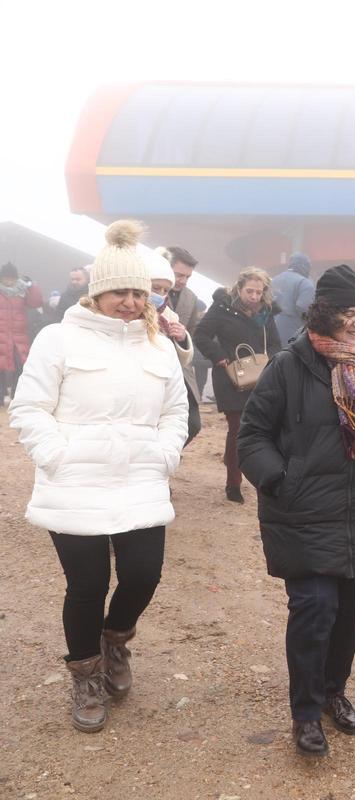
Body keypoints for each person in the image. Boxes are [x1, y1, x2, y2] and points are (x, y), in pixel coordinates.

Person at [8, 220, 188, 733]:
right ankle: (85, 673)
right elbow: (31, 407)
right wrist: (55, 455)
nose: (130, 302)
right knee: (86, 584)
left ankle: (116, 641)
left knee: (143, 574)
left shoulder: (157, 347)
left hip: (141, 478)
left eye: (138, 292)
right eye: (118, 292)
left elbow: (177, 411)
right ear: (96, 294)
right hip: (75, 480)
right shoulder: (58, 338)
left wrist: (164, 455)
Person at [238, 264, 355, 757]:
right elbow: (252, 437)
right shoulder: (289, 366)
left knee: (353, 613)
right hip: (304, 514)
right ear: (323, 314)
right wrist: (279, 480)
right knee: (316, 610)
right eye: (345, 313)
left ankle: (335, 688)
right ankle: (307, 712)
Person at [194, 267, 282, 503]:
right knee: (237, 428)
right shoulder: (223, 307)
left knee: (260, 428)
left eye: (258, 292)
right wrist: (219, 356)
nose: (254, 297)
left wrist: (269, 361)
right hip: (230, 376)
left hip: (260, 377)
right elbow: (201, 334)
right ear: (239, 288)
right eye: (249, 291)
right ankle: (233, 483)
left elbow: (275, 343)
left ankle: (247, 467)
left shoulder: (266, 312)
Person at [147, 253, 202, 445]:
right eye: (179, 275)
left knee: (193, 422)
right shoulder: (138, 298)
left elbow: (193, 333)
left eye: (187, 277)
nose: (183, 281)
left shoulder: (191, 298)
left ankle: (166, 453)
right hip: (150, 371)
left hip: (179, 370)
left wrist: (182, 337)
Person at [0, 262, 44, 403]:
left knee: (21, 367)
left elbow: (36, 302)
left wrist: (32, 286)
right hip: (1, 335)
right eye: (6, 278)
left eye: (11, 278)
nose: (9, 281)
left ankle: (17, 397)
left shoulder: (22, 291)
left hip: (19, 336)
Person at [272, 253, 315, 345]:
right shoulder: (305, 283)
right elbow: (303, 307)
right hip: (292, 331)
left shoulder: (274, 280)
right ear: (305, 266)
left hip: (271, 329)